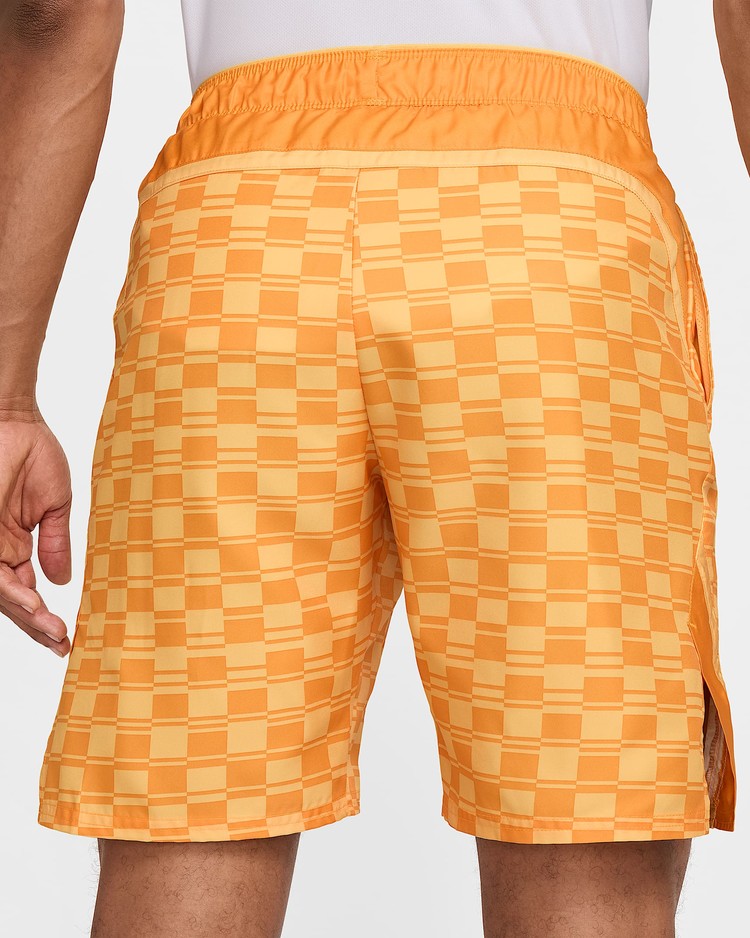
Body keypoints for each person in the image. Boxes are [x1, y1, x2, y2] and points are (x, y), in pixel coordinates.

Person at [0, 1, 745, 936]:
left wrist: (6, 397)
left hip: (243, 242)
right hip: (547, 229)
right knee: (586, 812)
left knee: (187, 807)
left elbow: (55, 15)